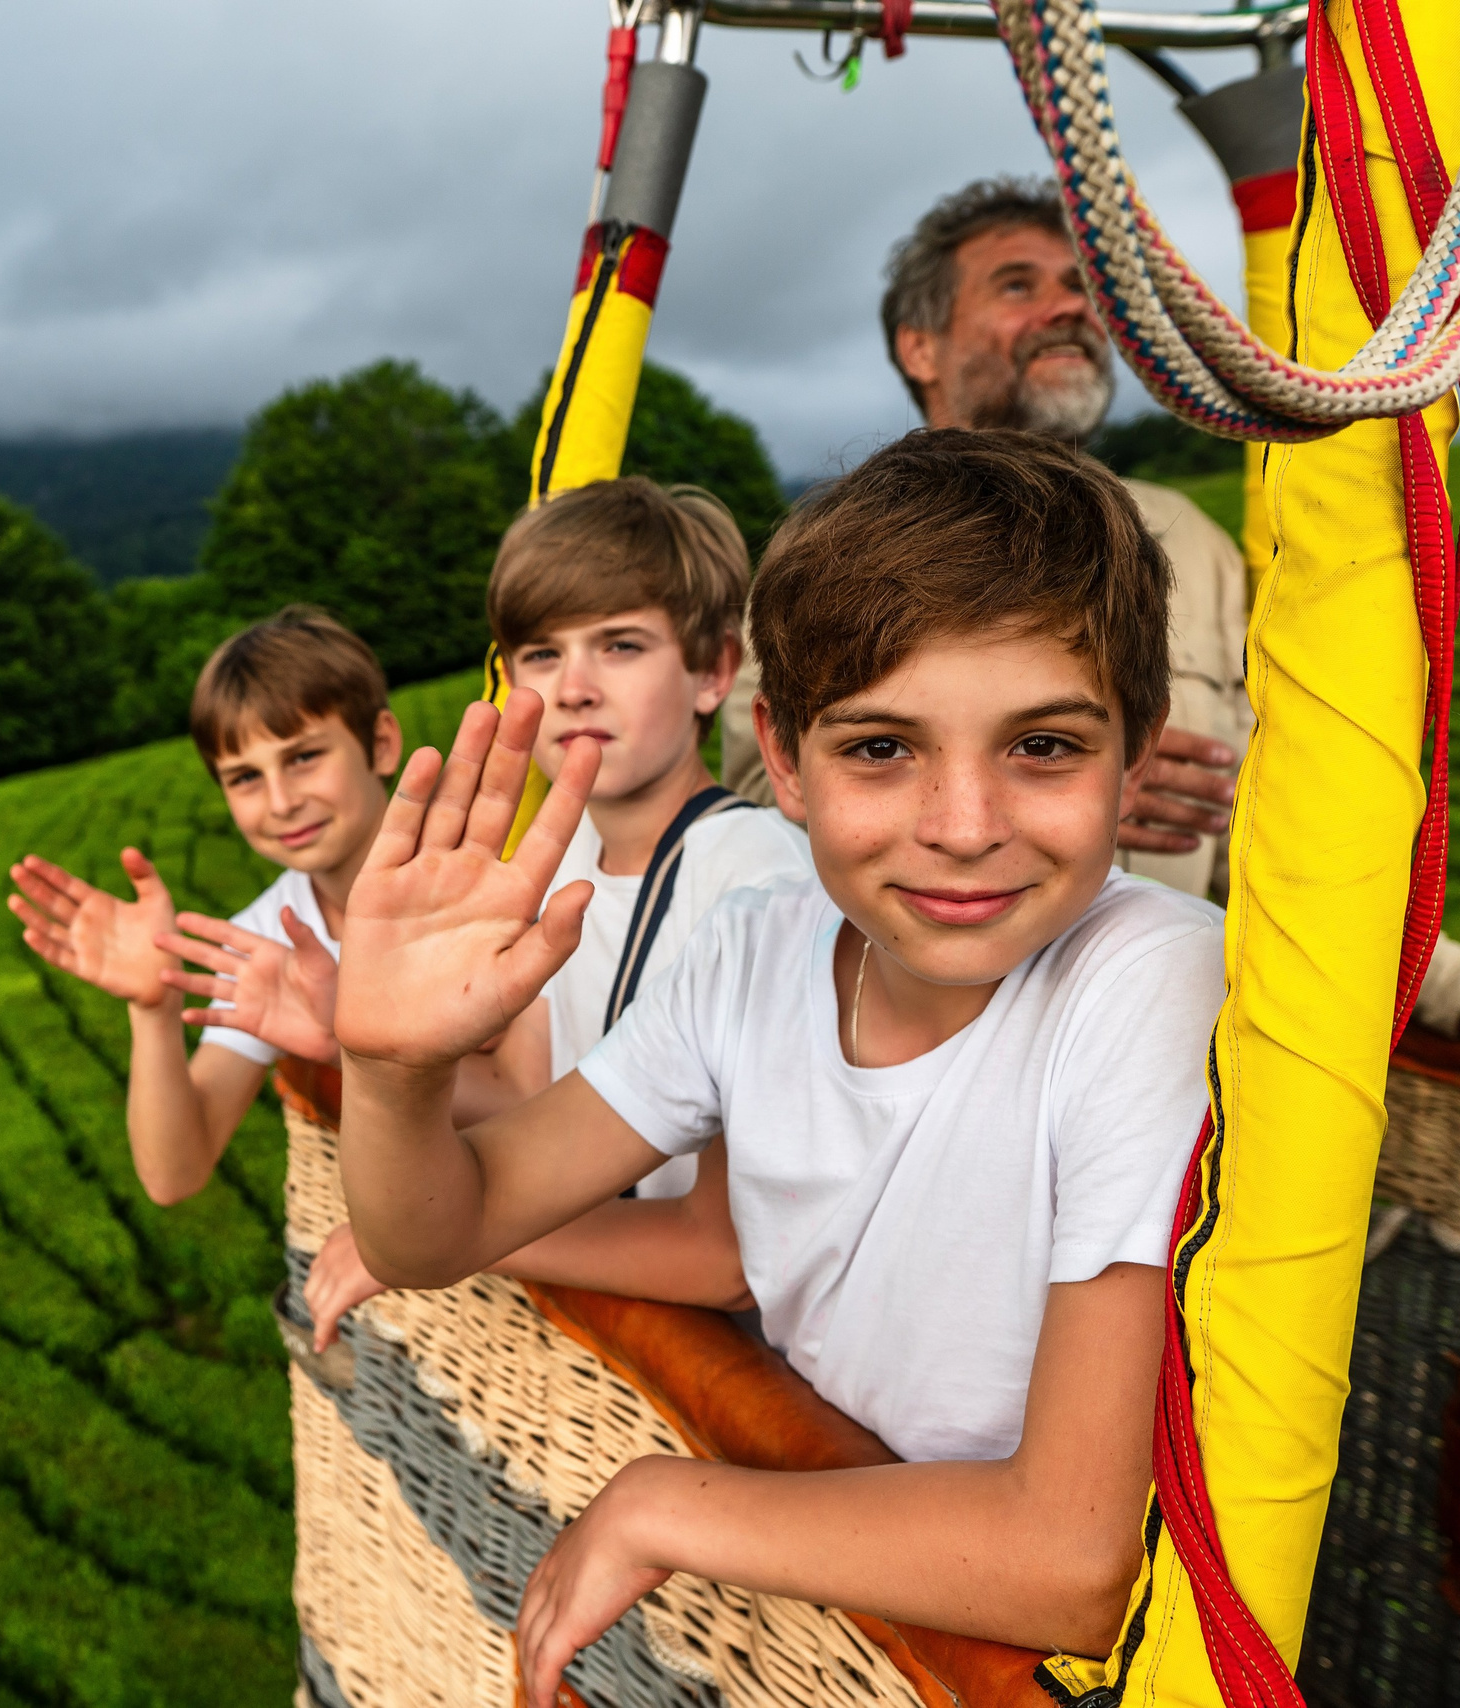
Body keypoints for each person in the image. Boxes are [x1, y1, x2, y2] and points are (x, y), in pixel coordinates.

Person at [334, 432, 1217, 1697]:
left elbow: (1075, 1556)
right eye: (879, 749)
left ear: (1135, 753)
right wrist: (390, 1069)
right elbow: (440, 1226)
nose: (962, 828)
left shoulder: (1148, 983)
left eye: (1041, 747)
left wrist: (664, 1504)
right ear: (785, 761)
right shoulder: (757, 950)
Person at [718, 176, 1460, 1063]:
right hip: (895, 1046)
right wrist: (1068, 788)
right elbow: (755, 809)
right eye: (1018, 284)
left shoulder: (1189, 541)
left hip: (1156, 1052)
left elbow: (1272, 830)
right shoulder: (830, 552)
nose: (1068, 306)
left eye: (1083, 285)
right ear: (919, 347)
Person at [302, 477, 809, 1349]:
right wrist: (357, 1038)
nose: (573, 688)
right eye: (541, 654)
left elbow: (731, 1259)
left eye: (619, 645)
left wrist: (458, 1240)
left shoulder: (757, 882)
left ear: (713, 671)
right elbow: (530, 1092)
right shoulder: (562, 856)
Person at [7, 605, 399, 1205]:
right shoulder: (262, 939)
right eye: (244, 778)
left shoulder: (480, 872)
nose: (280, 801)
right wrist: (154, 1007)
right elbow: (174, 1175)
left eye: (303, 758)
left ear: (381, 744)